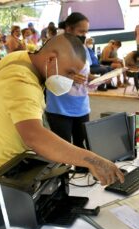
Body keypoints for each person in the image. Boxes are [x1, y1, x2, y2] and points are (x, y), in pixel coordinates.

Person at [0, 33, 124, 186]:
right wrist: (93, 161)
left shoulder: (20, 58)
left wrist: (67, 73)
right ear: (50, 59)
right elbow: (34, 136)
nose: (70, 79)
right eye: (69, 72)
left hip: (4, 165)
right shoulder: (21, 82)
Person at [45, 12, 94, 173]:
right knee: (63, 152)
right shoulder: (53, 48)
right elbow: (45, 74)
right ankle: (63, 188)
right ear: (68, 29)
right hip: (59, 109)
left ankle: (83, 186)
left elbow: (86, 73)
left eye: (86, 32)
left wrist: (96, 79)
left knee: (82, 148)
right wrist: (70, 78)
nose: (84, 35)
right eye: (81, 32)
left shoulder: (84, 49)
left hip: (81, 106)